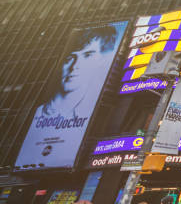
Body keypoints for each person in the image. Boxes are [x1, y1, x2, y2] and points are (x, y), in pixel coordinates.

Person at [15, 25, 123, 169]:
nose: (75, 66)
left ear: (100, 61)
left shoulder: (96, 112)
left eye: (88, 55)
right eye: (70, 58)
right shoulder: (31, 116)